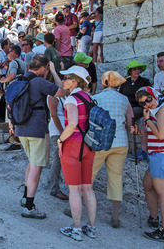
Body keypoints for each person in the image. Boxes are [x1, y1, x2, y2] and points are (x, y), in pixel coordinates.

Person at [10, 54, 68, 219]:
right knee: (37, 167)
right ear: (43, 67)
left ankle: (25, 198)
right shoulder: (40, 82)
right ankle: (29, 207)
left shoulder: (19, 81)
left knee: (31, 164)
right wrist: (54, 72)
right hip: (37, 129)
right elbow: (62, 92)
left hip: (21, 129)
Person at [57, 66, 97, 240]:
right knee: (87, 187)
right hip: (89, 145)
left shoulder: (72, 99)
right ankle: (92, 227)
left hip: (73, 144)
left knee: (73, 189)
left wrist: (60, 140)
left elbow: (72, 124)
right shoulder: (89, 98)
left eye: (66, 78)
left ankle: (76, 229)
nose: (63, 81)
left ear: (74, 81)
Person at [137, 86, 164, 242]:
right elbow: (148, 140)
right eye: (143, 103)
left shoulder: (163, 110)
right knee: (148, 184)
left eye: (148, 99)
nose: (147, 104)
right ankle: (154, 218)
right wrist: (143, 127)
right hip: (157, 155)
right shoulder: (154, 112)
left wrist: (149, 120)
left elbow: (162, 135)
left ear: (154, 95)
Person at [90, 71, 132, 228]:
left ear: (104, 83)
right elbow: (129, 121)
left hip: (101, 141)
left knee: (89, 175)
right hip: (120, 141)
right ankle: (115, 216)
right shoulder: (125, 99)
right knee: (116, 178)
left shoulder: (96, 98)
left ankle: (78, 207)